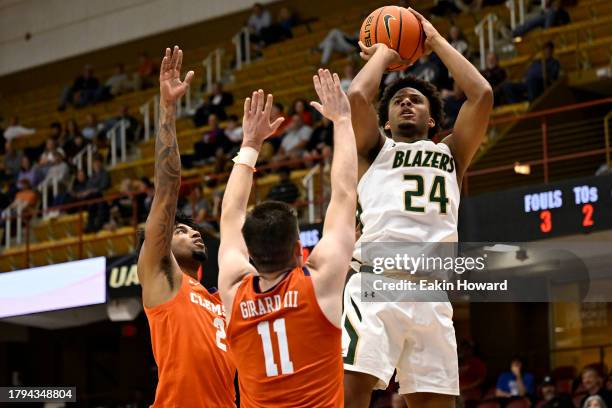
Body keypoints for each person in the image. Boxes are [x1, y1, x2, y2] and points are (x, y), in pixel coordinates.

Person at [343, 7, 493, 407]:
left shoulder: (452, 153)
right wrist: (383, 53)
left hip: (432, 293)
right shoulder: (375, 149)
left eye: (417, 101)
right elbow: (357, 95)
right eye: (398, 102)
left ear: (432, 122)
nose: (407, 103)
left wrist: (434, 40)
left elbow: (482, 94)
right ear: (387, 123)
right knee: (351, 396)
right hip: (377, 283)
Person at [218, 70, 358, 407]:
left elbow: (230, 215)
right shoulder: (320, 283)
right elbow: (343, 193)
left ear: (249, 253)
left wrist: (250, 145)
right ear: (300, 249)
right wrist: (341, 120)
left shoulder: (233, 291)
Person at [137, 46, 236, 407]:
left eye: (191, 229)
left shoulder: (217, 301)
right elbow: (167, 187)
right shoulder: (162, 278)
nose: (192, 232)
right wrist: (167, 110)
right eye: (180, 231)